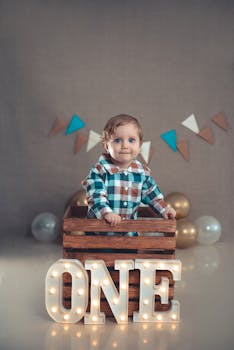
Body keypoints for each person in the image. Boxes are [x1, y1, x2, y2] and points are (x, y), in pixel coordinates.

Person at [82, 114, 176, 235]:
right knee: (103, 253)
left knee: (129, 253)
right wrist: (106, 212)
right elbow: (96, 196)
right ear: (106, 146)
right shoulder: (100, 170)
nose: (125, 146)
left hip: (129, 233)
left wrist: (164, 209)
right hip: (101, 232)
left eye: (131, 140)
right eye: (117, 140)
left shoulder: (142, 173)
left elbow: (152, 195)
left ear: (139, 146)